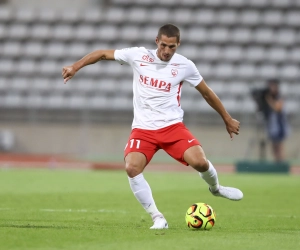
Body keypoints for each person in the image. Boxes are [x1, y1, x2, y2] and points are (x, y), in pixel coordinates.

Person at [62, 24, 243, 229]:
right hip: (143, 129)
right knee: (131, 167)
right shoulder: (138, 55)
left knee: (200, 162)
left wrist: (226, 118)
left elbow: (207, 93)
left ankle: (216, 188)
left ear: (178, 45)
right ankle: (158, 217)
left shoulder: (185, 66)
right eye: (164, 45)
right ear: (157, 41)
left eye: (172, 47)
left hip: (173, 127)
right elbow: (103, 53)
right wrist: (75, 67)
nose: (167, 51)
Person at [263, 79, 289, 162]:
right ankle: (276, 161)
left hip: (279, 125)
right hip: (272, 125)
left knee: (279, 145)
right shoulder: (271, 97)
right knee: (274, 145)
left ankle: (281, 161)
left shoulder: (278, 97)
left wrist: (269, 100)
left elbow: (277, 108)